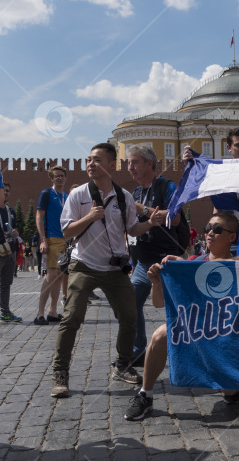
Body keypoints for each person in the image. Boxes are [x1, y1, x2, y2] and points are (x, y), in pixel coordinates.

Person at [50, 143, 162, 398]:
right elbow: (67, 231)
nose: (90, 164)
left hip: (114, 269)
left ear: (112, 165)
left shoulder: (123, 196)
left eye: (97, 160)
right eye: (88, 159)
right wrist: (89, 217)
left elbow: (132, 229)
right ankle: (60, 372)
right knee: (72, 317)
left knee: (130, 315)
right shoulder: (78, 194)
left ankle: (122, 365)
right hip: (84, 265)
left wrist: (151, 224)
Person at [124, 211, 239, 420]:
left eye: (218, 229)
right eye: (208, 229)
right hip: (196, 331)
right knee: (160, 335)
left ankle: (231, 389)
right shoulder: (191, 264)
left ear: (232, 237)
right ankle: (145, 395)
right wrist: (157, 282)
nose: (210, 233)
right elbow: (159, 303)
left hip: (227, 338)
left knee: (231, 394)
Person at [127, 145, 187, 362]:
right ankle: (138, 350)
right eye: (128, 163)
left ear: (149, 163)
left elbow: (175, 217)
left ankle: (184, 350)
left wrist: (141, 209)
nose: (129, 167)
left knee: (175, 307)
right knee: (131, 302)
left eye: (134, 162)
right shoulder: (136, 192)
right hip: (143, 262)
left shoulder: (166, 186)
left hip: (166, 259)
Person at [34, 166, 69, 325]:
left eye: (62, 176)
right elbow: (39, 217)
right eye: (57, 176)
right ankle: (40, 313)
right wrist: (42, 240)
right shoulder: (46, 194)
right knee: (50, 277)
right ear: (52, 178)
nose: (60, 178)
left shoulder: (67, 196)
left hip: (64, 241)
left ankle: (53, 311)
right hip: (51, 240)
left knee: (60, 276)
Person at [0, 178, 22, 323]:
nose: (5, 193)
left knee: (6, 283)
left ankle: (5, 312)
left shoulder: (10, 211)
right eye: (3, 191)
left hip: (10, 249)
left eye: (7, 191)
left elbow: (14, 229)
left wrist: (16, 233)